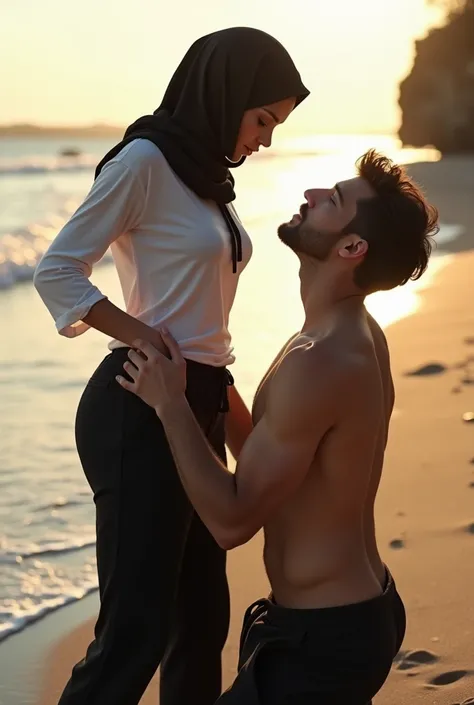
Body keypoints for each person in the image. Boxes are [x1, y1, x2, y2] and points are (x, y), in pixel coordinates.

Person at [33, 27, 309, 705]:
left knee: (200, 623)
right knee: (136, 633)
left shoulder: (207, 176)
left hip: (199, 403)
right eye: (263, 119)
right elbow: (58, 270)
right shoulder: (145, 162)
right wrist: (146, 338)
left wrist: (223, 399)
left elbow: (206, 320)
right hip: (140, 404)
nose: (266, 138)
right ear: (227, 94)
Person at [116, 149, 439, 704]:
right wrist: (210, 376)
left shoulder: (320, 360)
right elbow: (275, 455)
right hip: (351, 615)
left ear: (351, 248)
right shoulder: (342, 335)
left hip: (325, 643)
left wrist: (170, 404)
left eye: (332, 201)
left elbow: (231, 520)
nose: (311, 196)